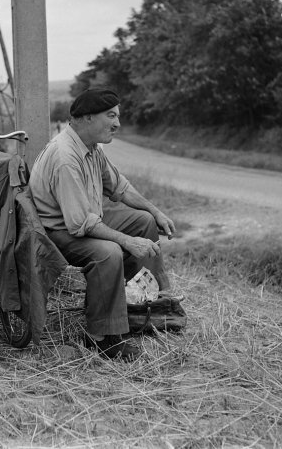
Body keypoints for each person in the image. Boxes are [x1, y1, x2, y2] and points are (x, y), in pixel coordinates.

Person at [29, 88, 176, 361]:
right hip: (57, 233)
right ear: (86, 118)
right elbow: (80, 224)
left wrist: (155, 211)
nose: (117, 124)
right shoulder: (65, 156)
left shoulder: (91, 148)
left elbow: (120, 188)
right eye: (111, 116)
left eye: (117, 116)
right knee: (109, 252)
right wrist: (128, 242)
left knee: (143, 221)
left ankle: (144, 308)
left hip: (84, 220)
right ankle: (103, 337)